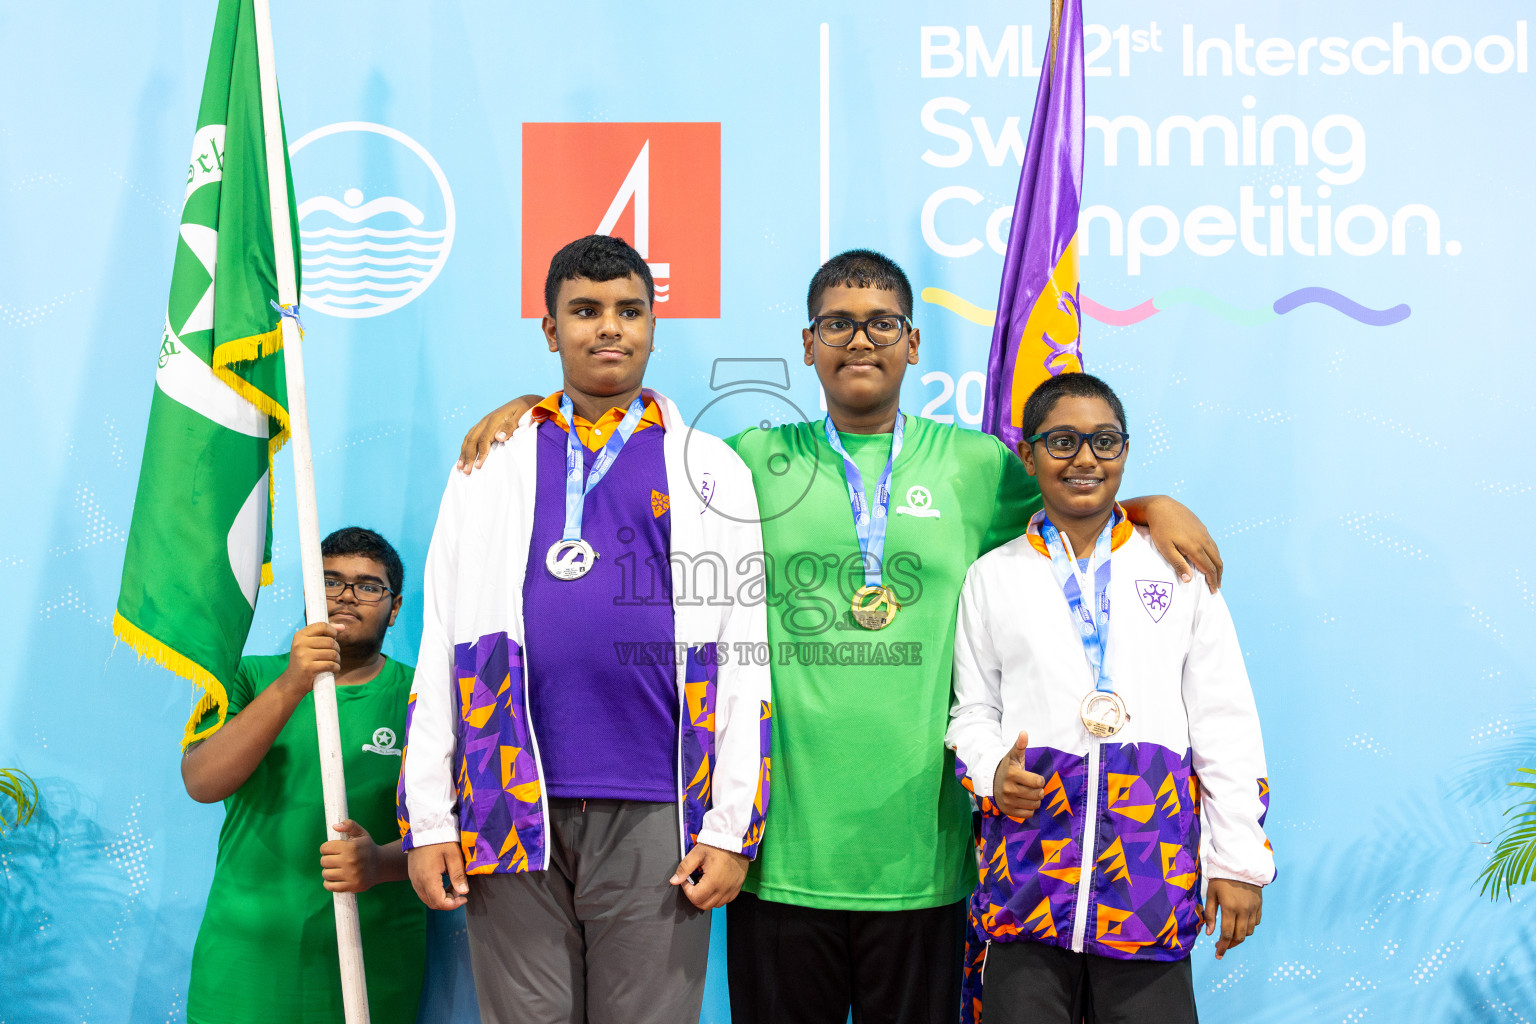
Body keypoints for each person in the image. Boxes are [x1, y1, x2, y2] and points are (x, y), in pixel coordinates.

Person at [456, 249, 1224, 1023]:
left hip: (924, 854)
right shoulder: (750, 460)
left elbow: (1076, 494)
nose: (861, 340)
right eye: (839, 324)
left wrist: (1148, 506)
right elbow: (619, 438)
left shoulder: (979, 466)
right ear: (807, 342)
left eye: (882, 323)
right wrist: (533, 410)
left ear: (913, 343)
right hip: (781, 855)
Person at [397, 234, 771, 1024]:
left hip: (662, 805)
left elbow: (743, 657)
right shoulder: (489, 462)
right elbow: (441, 645)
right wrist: (428, 817)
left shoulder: (709, 467)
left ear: (654, 326)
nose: (609, 328)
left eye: (629, 311)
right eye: (586, 311)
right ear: (549, 328)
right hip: (507, 798)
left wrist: (734, 825)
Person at [946, 371, 1274, 1024]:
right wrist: (990, 770)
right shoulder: (993, 576)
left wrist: (1237, 861)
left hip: (1147, 885)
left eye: (1105, 441)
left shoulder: (1177, 567)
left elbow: (1224, 720)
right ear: (1028, 453)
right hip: (1028, 886)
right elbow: (972, 712)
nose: (1086, 458)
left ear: (1124, 452)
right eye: (1063, 441)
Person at [182, 527, 425, 1024]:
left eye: (368, 586)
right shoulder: (244, 676)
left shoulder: (426, 696)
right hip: (244, 964)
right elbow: (202, 782)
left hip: (371, 966)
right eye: (330, 581)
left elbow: (467, 830)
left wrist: (379, 864)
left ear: (394, 607)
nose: (346, 596)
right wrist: (294, 681)